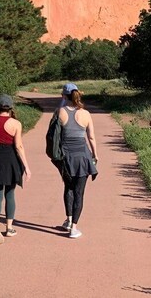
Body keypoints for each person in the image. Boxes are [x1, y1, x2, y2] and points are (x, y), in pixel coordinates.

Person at [0, 94, 31, 244]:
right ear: (11, 107)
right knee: (10, 194)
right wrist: (26, 166)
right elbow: (18, 146)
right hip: (11, 160)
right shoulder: (16, 124)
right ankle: (9, 228)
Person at [57, 83, 99, 239]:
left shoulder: (60, 112)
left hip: (66, 157)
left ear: (64, 96)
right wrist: (95, 155)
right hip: (82, 156)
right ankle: (73, 228)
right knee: (79, 192)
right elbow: (91, 137)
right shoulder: (86, 114)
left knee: (68, 188)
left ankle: (68, 220)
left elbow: (55, 136)